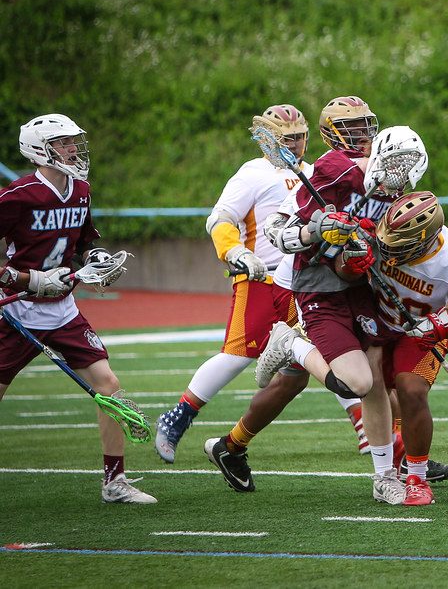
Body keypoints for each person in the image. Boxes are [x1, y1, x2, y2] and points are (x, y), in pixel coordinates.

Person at [204, 97, 424, 505]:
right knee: (354, 383)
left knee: (376, 377)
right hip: (316, 283)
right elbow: (284, 233)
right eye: (353, 128)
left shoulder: (389, 180)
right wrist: (320, 230)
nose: (363, 136)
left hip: (361, 285)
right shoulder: (329, 169)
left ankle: (384, 476)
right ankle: (290, 342)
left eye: (367, 126)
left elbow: (390, 235)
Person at [252, 190, 448, 506]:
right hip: (373, 320)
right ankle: (388, 469)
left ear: (424, 242)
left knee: (411, 391)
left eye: (399, 244)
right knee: (364, 389)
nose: (387, 246)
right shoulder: (377, 229)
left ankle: (417, 478)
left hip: (421, 329)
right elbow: (342, 270)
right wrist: (352, 263)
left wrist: (443, 326)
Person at [153, 104, 351, 462]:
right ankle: (179, 415)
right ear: (269, 140)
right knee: (238, 355)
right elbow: (221, 218)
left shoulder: (313, 172)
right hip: (261, 276)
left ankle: (383, 443)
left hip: (303, 279)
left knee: (329, 355)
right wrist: (234, 252)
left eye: (301, 137)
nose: (297, 144)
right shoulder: (253, 173)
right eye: (289, 139)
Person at [0, 114, 155, 504]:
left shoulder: (80, 189)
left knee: (109, 387)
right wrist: (29, 280)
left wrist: (96, 258)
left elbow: (84, 240)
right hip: (19, 312)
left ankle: (114, 481)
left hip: (63, 309)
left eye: (73, 142)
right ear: (40, 149)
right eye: (64, 143)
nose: (73, 149)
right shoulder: (18, 195)